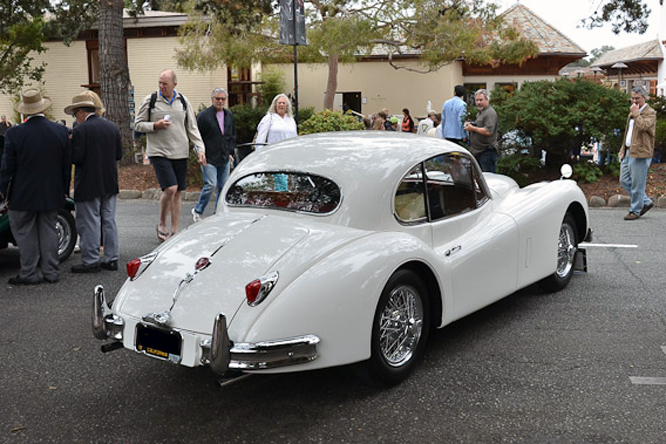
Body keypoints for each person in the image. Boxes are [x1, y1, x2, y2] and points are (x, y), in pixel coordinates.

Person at [0, 88, 70, 285]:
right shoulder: (60, 131)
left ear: (25, 110)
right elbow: (66, 165)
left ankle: (29, 273)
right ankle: (51, 272)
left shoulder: (14, 134)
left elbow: (7, 167)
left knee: (24, 232)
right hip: (52, 191)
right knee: (48, 230)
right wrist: (65, 189)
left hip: (22, 194)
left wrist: (2, 190)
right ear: (42, 108)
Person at [134, 69, 206, 241]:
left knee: (178, 191)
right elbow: (137, 125)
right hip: (159, 152)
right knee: (170, 188)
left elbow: (192, 128)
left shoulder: (183, 101)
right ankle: (161, 223)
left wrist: (201, 149)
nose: (161, 86)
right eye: (159, 82)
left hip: (180, 152)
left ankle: (174, 230)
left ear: (174, 84)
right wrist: (155, 125)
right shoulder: (151, 100)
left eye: (165, 83)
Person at [64, 92, 123, 273]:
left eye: (75, 114)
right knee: (109, 220)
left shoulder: (80, 130)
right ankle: (112, 258)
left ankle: (91, 260)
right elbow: (118, 155)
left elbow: (77, 158)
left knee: (89, 222)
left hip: (89, 182)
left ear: (81, 112)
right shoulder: (112, 127)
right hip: (109, 180)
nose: (76, 118)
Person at [192, 88, 236, 221]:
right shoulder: (204, 116)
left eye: (223, 99)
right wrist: (199, 152)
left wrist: (230, 152)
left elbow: (231, 135)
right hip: (208, 157)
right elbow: (196, 136)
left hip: (224, 157)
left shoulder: (229, 116)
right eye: (218, 99)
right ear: (212, 99)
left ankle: (218, 214)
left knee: (223, 188)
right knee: (210, 185)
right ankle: (198, 210)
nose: (220, 101)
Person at [619, 86, 656, 221]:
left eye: (637, 99)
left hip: (641, 153)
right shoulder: (633, 113)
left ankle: (635, 210)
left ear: (644, 98)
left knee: (637, 184)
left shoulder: (650, 112)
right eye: (632, 98)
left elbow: (644, 127)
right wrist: (623, 148)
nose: (634, 101)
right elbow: (628, 133)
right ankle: (645, 202)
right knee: (624, 180)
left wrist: (636, 113)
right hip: (629, 151)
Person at [255, 94, 297, 191]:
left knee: (289, 183)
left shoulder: (290, 119)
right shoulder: (269, 118)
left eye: (283, 103)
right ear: (275, 105)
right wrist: (259, 156)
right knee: (281, 182)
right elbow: (260, 139)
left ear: (287, 105)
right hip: (274, 156)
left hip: (289, 157)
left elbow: (295, 137)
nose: (281, 105)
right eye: (279, 103)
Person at [464, 89, 499, 173]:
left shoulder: (490, 113)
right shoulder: (481, 112)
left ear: (487, 100)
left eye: (481, 100)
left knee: (488, 178)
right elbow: (480, 126)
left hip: (486, 151)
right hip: (478, 151)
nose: (478, 102)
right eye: (477, 100)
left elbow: (488, 131)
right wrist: (471, 125)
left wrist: (473, 128)